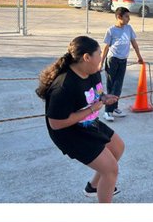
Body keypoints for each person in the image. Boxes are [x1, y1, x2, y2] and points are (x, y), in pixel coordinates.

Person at [37, 36, 123, 201]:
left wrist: (104, 98)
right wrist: (92, 109)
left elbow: (96, 93)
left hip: (87, 122)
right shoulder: (63, 86)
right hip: (69, 133)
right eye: (99, 54)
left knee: (118, 148)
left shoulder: (93, 71)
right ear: (86, 57)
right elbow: (56, 124)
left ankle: (93, 187)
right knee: (111, 170)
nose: (101, 57)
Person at [100, 7, 144, 120]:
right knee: (111, 85)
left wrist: (139, 57)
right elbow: (106, 47)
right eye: (126, 16)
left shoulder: (129, 28)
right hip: (112, 60)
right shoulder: (111, 30)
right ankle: (107, 111)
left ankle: (114, 108)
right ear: (119, 17)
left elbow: (134, 43)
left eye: (129, 16)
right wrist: (100, 63)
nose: (128, 19)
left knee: (118, 86)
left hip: (123, 60)